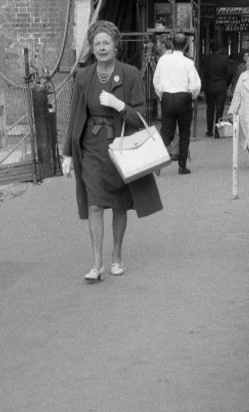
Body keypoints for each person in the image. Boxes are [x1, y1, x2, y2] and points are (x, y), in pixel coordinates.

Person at [61, 20, 163, 282]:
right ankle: (97, 264)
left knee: (119, 205)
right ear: (92, 48)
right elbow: (75, 117)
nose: (102, 48)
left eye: (106, 43)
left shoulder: (130, 74)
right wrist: (68, 154)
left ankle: (116, 256)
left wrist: (119, 105)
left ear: (116, 46)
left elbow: (141, 116)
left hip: (120, 150)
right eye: (97, 44)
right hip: (92, 150)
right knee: (94, 204)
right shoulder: (83, 77)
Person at [153, 32, 201, 174]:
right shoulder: (188, 62)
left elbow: (156, 80)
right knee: (184, 133)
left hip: (167, 98)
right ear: (186, 46)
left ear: (172, 45)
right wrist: (192, 96)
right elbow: (195, 84)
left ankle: (158, 163)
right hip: (183, 98)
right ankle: (182, 166)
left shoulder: (163, 60)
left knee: (166, 132)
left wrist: (161, 95)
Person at [201, 42, 233, 138]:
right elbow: (229, 73)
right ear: (219, 49)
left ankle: (209, 130)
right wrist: (225, 83)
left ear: (211, 49)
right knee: (220, 109)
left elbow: (204, 73)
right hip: (221, 86)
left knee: (210, 108)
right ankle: (217, 130)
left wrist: (204, 86)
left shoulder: (207, 59)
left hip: (210, 87)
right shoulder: (225, 59)